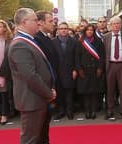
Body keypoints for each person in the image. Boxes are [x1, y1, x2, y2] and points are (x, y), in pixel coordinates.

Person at [8, 8, 56, 144]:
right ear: (24, 22)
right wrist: (49, 93)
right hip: (32, 100)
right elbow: (30, 76)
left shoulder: (28, 40)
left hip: (39, 98)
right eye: (35, 20)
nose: (38, 23)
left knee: (41, 137)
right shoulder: (20, 45)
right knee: (30, 139)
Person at [34, 10, 58, 144]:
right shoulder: (37, 39)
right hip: (42, 88)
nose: (53, 23)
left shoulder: (47, 37)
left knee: (45, 125)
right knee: (39, 126)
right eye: (50, 21)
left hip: (50, 86)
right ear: (41, 22)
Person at [103, 16, 122, 120]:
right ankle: (110, 110)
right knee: (110, 89)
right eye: (114, 23)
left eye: (118, 23)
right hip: (110, 65)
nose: (116, 25)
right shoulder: (105, 37)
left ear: (120, 25)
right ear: (110, 25)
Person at [75, 24, 105, 119]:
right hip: (84, 71)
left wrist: (100, 68)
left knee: (94, 92)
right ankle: (87, 111)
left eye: (91, 30)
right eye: (87, 30)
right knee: (86, 92)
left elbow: (102, 56)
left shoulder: (99, 41)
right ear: (85, 31)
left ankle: (93, 111)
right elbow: (77, 57)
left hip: (95, 70)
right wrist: (79, 69)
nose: (89, 31)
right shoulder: (80, 42)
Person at [52, 22, 77, 120]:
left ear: (68, 30)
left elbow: (76, 57)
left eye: (65, 28)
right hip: (58, 71)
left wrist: (75, 69)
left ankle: (70, 111)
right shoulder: (53, 42)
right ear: (58, 30)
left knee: (69, 93)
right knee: (60, 93)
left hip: (70, 70)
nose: (63, 30)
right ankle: (61, 111)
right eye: (61, 28)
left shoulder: (74, 41)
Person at [0, 20, 12, 125]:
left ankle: (4, 114)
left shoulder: (9, 41)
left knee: (4, 94)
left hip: (4, 71)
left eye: (0, 26)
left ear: (5, 28)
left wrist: (0, 70)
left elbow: (9, 58)